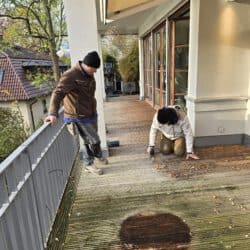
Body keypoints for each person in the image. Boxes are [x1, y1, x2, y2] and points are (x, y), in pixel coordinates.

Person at [45, 51, 107, 175]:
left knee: (95, 139)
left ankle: (98, 155)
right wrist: (52, 113)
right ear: (88, 66)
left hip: (90, 113)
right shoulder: (71, 75)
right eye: (94, 70)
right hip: (78, 116)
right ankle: (89, 164)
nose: (94, 72)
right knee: (91, 140)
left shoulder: (87, 74)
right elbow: (58, 93)